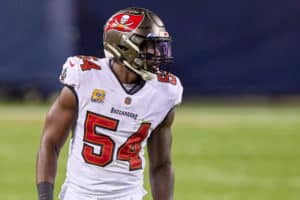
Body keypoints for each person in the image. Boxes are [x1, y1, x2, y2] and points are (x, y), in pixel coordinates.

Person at [36, 7, 183, 200]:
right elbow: (50, 142)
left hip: (128, 196)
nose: (156, 53)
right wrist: (45, 197)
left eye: (158, 45)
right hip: (80, 195)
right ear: (122, 47)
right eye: (147, 45)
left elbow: (161, 164)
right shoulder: (85, 77)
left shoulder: (164, 93)